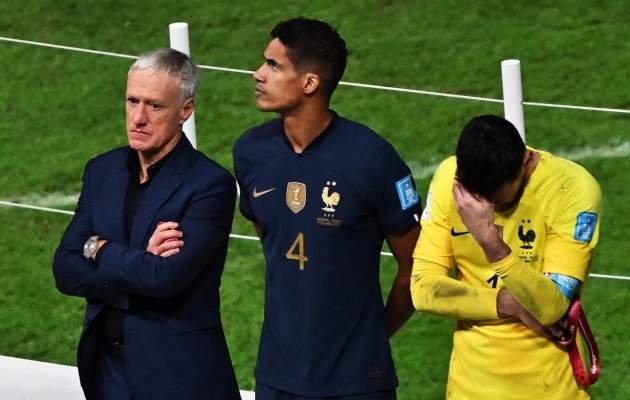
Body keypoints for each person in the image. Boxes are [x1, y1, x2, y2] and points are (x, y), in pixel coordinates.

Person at [233, 17, 422, 400]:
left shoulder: (373, 161)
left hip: (357, 384)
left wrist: (373, 334)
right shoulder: (251, 152)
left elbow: (416, 268)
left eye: (273, 65)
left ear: (310, 83)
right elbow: (274, 242)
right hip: (277, 378)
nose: (258, 74)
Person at [53, 48, 241, 400]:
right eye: (132, 100)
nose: (138, 117)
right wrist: (141, 260)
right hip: (107, 374)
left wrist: (99, 247)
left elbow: (166, 278)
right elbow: (65, 269)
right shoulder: (101, 171)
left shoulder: (209, 184)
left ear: (185, 110)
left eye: (154, 106)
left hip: (179, 378)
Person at [411, 114, 603, 399]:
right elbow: (423, 289)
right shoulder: (448, 181)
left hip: (551, 389)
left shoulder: (571, 189)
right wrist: (511, 304)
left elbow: (551, 308)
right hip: (470, 389)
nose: (485, 208)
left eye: (499, 201)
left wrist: (489, 240)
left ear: (525, 162)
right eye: (477, 199)